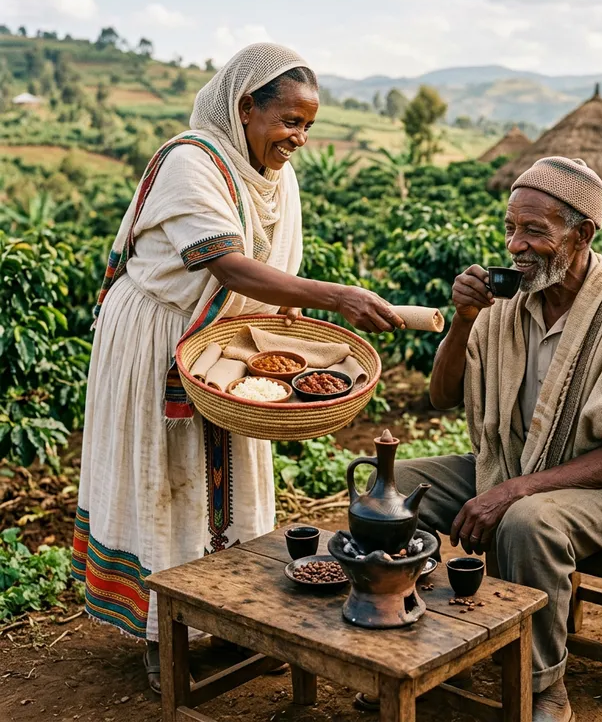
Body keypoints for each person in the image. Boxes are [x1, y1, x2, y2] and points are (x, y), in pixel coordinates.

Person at [71, 43, 404, 692]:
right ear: (244, 106)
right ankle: (163, 631)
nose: (299, 138)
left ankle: (232, 621)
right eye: (289, 121)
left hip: (228, 344)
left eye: (308, 125)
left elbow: (270, 278)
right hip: (160, 334)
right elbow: (223, 265)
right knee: (165, 483)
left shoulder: (277, 177)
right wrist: (337, 297)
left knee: (231, 486)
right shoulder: (190, 161)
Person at [392, 157, 602, 721]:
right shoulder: (507, 303)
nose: (516, 244)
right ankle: (431, 636)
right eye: (510, 227)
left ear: (581, 234)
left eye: (535, 231)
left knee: (526, 521)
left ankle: (541, 686)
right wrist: (464, 318)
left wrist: (511, 492)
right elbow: (442, 396)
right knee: (390, 486)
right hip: (517, 464)